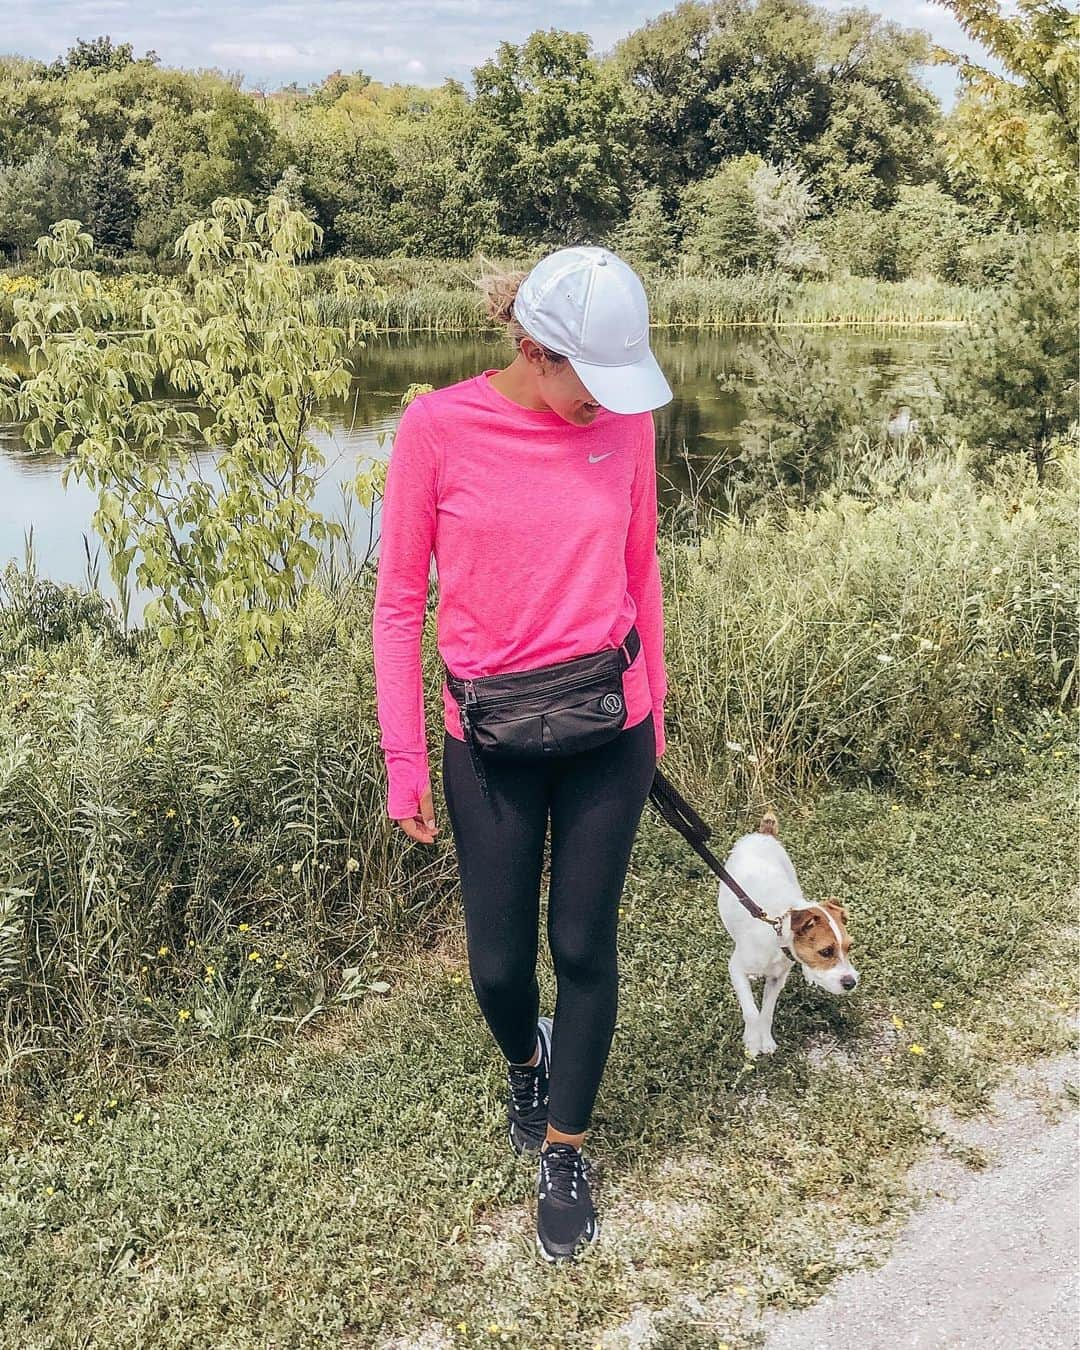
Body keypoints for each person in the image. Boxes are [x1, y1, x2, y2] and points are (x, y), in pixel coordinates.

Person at [371, 245, 672, 1263]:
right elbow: (398, 603)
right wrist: (404, 759)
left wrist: (654, 718)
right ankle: (526, 1056)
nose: (604, 401)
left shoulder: (627, 427)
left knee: (584, 947)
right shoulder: (437, 428)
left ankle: (566, 1149)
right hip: (488, 737)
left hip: (607, 731)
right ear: (535, 348)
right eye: (590, 377)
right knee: (499, 967)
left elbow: (644, 578)